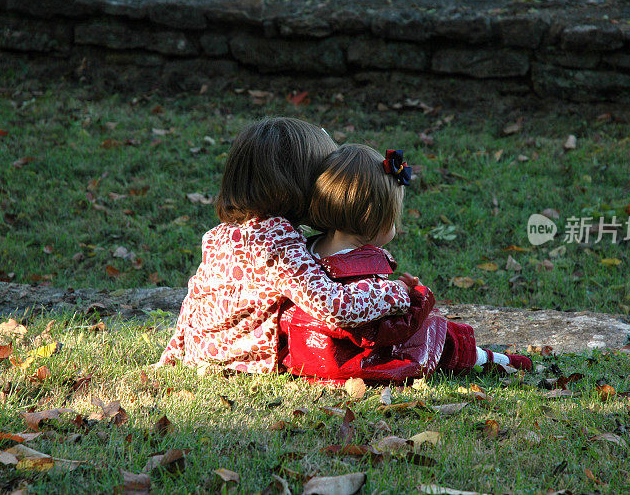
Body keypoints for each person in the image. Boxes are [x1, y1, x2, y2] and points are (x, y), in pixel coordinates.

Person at [154, 118, 412, 373]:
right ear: (299, 184)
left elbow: (194, 298)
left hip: (200, 353)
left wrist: (171, 357)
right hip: (238, 361)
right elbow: (331, 306)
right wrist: (396, 293)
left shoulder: (220, 234)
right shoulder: (277, 242)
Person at [279, 144, 532, 384]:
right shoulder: (363, 267)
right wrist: (408, 298)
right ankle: (488, 359)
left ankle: (484, 356)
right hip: (355, 358)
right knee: (438, 333)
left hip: (311, 354)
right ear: (374, 221)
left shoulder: (305, 250)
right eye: (392, 218)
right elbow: (381, 327)